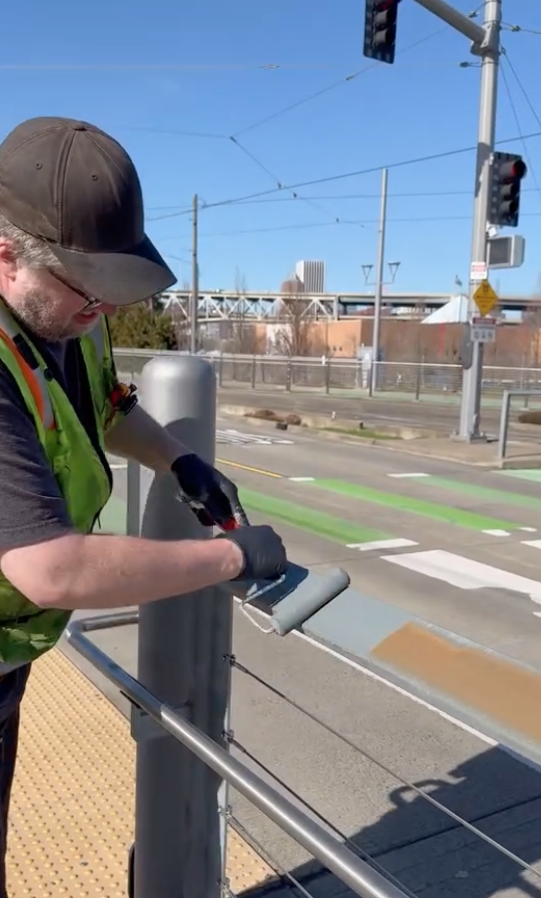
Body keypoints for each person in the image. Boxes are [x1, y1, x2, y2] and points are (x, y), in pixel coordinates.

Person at [0, 116, 287, 896]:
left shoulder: (65, 315)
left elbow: (105, 402)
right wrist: (231, 557)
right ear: (5, 257)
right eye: (88, 293)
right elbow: (51, 568)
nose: (104, 313)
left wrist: (177, 458)